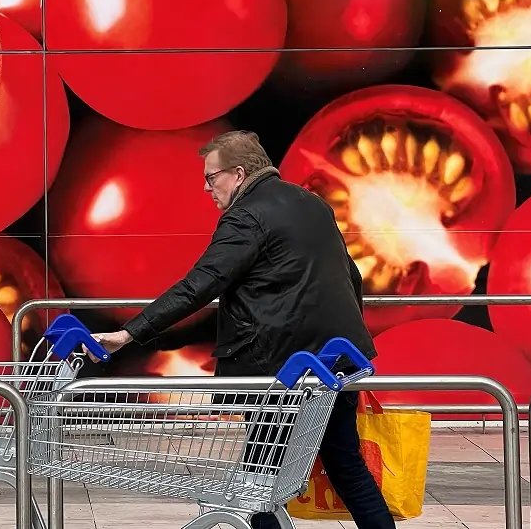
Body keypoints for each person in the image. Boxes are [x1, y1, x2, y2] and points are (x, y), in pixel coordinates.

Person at [89, 130, 394, 529]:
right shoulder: (312, 204)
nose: (206, 188)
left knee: (259, 481)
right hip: (335, 361)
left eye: (211, 178)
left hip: (281, 367)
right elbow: (350, 276)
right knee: (345, 463)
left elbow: (200, 283)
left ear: (237, 173)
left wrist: (128, 334)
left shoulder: (247, 215)